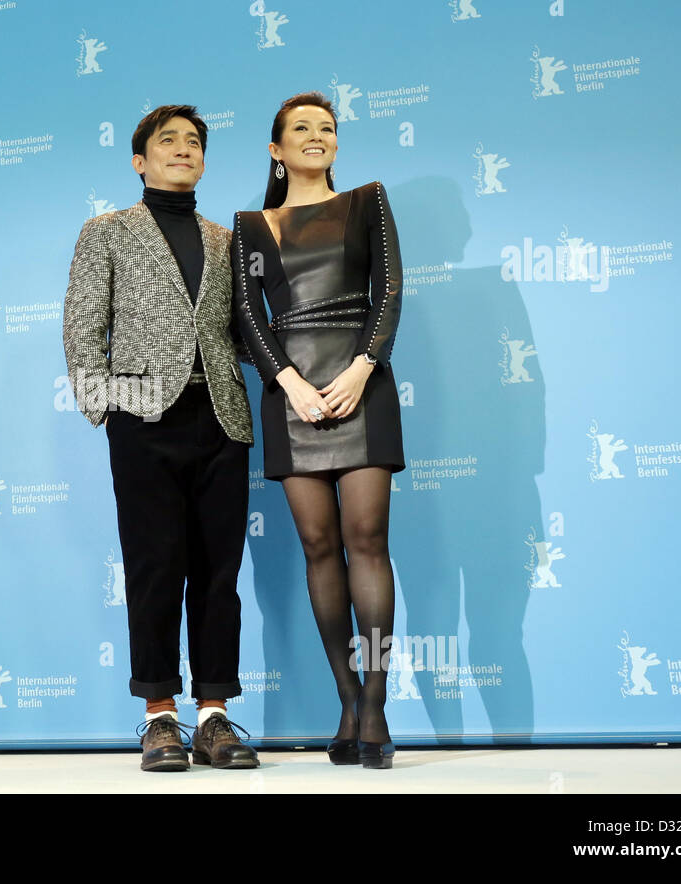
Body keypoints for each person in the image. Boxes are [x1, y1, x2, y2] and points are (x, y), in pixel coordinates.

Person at [63, 104, 259, 772]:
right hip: (144, 418)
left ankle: (214, 718)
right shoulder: (107, 231)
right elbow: (83, 324)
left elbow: (243, 332)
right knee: (154, 568)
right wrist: (107, 407)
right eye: (168, 140)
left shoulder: (226, 240)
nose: (183, 148)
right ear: (139, 161)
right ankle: (159, 718)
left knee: (218, 574)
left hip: (223, 418)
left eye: (194, 141)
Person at [231, 91, 405, 769]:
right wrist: (290, 384)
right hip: (292, 397)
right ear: (276, 150)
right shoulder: (251, 226)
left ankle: (377, 705)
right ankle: (347, 699)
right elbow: (249, 315)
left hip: (362, 385)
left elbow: (389, 292)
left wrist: (363, 368)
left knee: (367, 539)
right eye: (301, 128)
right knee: (318, 546)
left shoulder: (367, 201)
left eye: (327, 128)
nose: (316, 135)